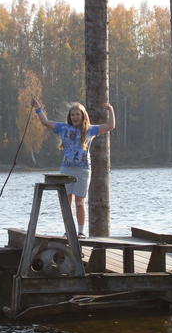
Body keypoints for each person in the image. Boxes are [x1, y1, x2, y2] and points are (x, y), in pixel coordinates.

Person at [30, 97, 115, 238]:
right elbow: (45, 122)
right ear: (70, 117)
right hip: (67, 169)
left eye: (78, 114)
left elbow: (110, 126)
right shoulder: (63, 128)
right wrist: (38, 107)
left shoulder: (89, 130)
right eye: (73, 114)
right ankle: (69, 230)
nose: (75, 117)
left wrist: (111, 110)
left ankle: (81, 232)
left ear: (83, 115)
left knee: (79, 202)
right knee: (66, 201)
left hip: (83, 170)